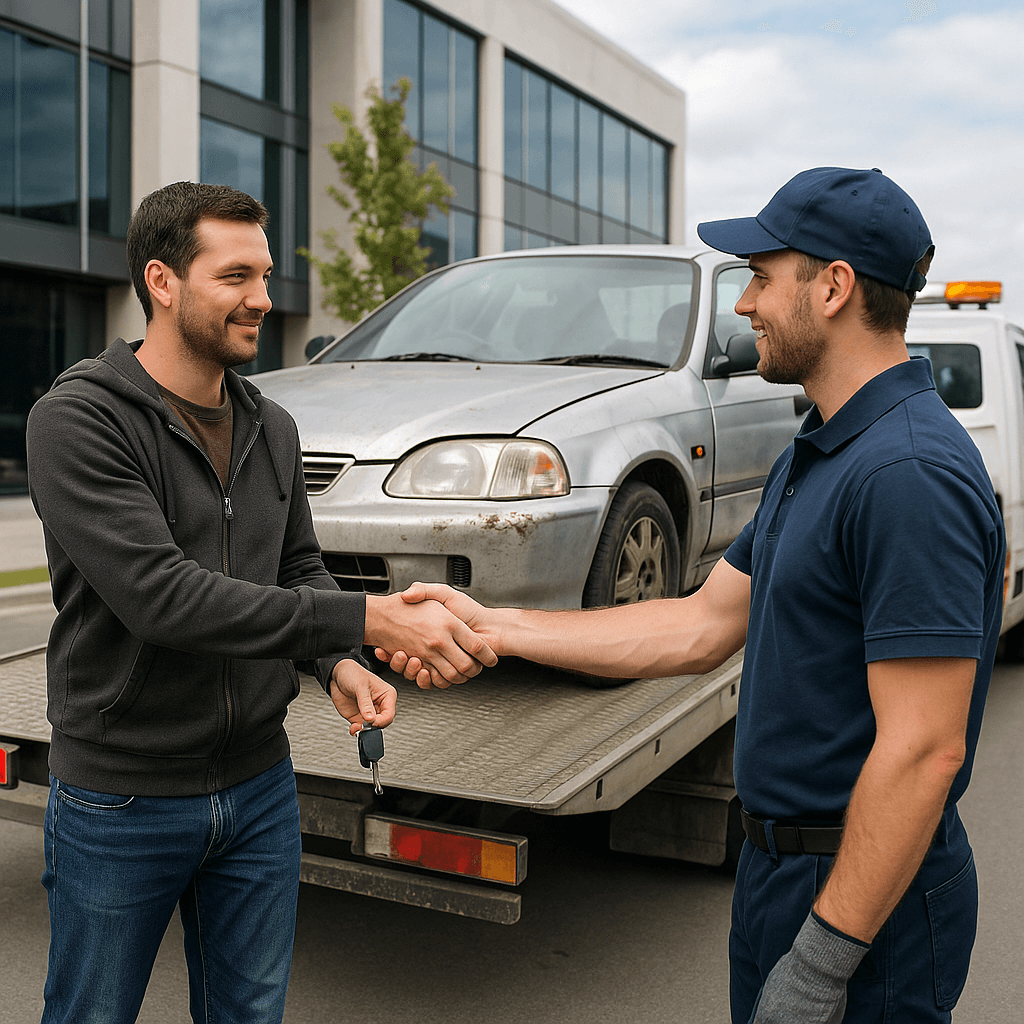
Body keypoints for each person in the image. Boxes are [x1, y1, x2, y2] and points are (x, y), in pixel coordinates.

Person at [379, 167, 1005, 1023]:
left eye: (759, 276)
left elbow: (925, 752)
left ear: (833, 287)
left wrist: (822, 962)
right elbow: (701, 624)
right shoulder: (823, 447)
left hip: (863, 902)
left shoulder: (907, 475)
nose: (743, 304)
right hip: (781, 874)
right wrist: (498, 625)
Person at [25, 180, 495, 1024]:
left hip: (258, 788)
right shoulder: (79, 421)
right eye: (236, 276)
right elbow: (164, 600)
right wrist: (371, 618)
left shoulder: (271, 425)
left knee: (249, 1015)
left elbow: (298, 563)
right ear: (162, 282)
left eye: (266, 274)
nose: (264, 299)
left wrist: (335, 662)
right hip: (120, 799)